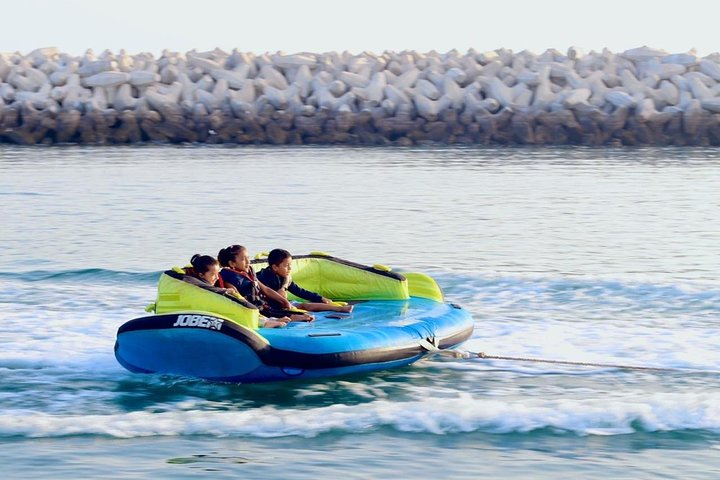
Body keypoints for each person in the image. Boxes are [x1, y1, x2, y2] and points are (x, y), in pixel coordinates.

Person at [184, 254, 287, 328]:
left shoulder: (211, 285)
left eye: (217, 274)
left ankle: (268, 320)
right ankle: (264, 323)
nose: (216, 278)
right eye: (212, 275)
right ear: (201, 275)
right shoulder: (199, 287)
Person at [217, 245, 313, 322]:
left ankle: (280, 316)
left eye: (248, 258)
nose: (248, 262)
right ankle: (274, 320)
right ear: (232, 264)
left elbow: (265, 289)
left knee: (302, 315)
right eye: (243, 259)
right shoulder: (228, 278)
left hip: (263, 305)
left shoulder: (249, 271)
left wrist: (284, 301)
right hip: (251, 309)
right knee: (299, 316)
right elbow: (238, 299)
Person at [256, 248, 354, 313]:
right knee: (303, 306)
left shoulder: (283, 277)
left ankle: (339, 309)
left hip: (284, 304)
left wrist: (320, 298)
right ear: (275, 267)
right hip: (270, 307)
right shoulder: (264, 277)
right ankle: (339, 309)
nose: (290, 269)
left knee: (306, 305)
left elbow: (300, 291)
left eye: (290, 265)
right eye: (286, 266)